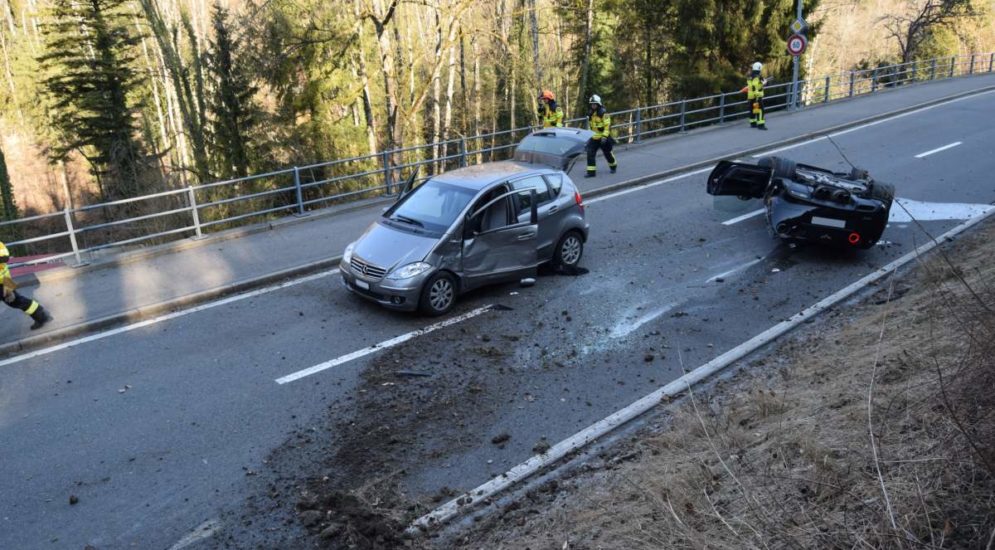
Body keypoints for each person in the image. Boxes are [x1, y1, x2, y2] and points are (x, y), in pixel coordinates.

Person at [1, 241, 53, 330]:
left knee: (16, 301)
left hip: (4, 280)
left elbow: (5, 257)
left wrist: (8, 288)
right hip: (5, 279)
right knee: (16, 301)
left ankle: (41, 316)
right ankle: (41, 315)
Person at [584, 94, 617, 178]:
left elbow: (607, 126)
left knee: (607, 153)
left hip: (603, 138)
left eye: (594, 104)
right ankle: (591, 172)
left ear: (598, 104)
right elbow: (590, 126)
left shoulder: (604, 114)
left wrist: (605, 137)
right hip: (594, 137)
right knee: (590, 153)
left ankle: (613, 166)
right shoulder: (591, 113)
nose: (593, 105)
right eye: (592, 104)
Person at [746, 61, 768, 130]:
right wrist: (764, 83)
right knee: (760, 111)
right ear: (759, 68)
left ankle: (753, 123)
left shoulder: (749, 76)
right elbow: (756, 86)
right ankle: (761, 125)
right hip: (757, 97)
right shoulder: (758, 77)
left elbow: (751, 86)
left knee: (753, 110)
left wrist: (762, 83)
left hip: (751, 97)